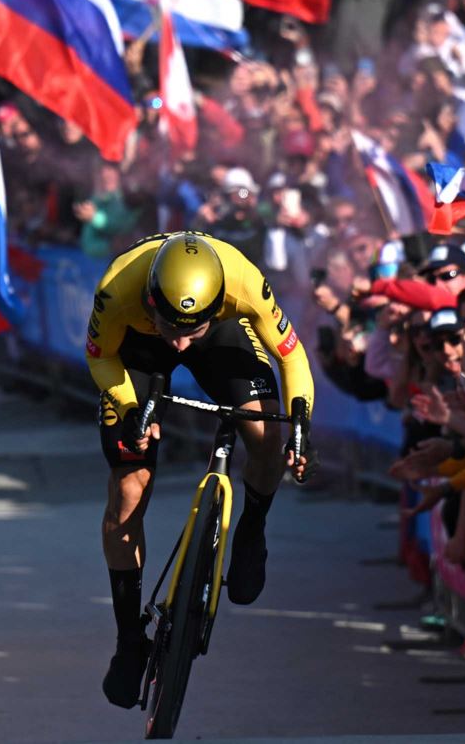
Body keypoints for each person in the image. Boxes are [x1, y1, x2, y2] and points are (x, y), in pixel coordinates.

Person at [86, 232, 314, 708]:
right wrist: (129, 407)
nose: (183, 342)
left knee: (266, 435)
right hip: (137, 348)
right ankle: (130, 641)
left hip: (225, 338)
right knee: (129, 487)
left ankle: (252, 527)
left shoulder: (242, 281)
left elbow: (291, 354)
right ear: (151, 299)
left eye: (193, 328)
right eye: (173, 326)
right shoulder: (117, 288)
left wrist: (301, 421)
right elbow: (101, 356)